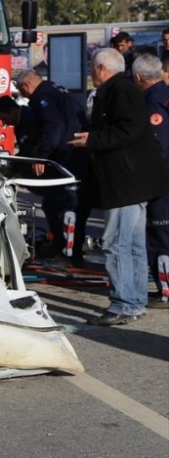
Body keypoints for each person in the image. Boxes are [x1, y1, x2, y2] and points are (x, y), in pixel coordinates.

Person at [69, 48, 169, 325]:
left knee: (116, 243)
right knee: (133, 245)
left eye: (92, 67)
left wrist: (93, 139)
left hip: (126, 181)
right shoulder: (122, 89)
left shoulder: (119, 91)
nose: (90, 72)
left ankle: (125, 303)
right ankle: (133, 301)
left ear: (101, 68)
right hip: (131, 181)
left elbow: (130, 129)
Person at [14, 69, 91, 264]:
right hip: (74, 154)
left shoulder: (44, 96)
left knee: (67, 207)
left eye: (20, 90)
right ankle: (61, 246)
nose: (22, 95)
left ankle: (70, 254)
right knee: (52, 203)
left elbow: (52, 128)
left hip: (70, 157)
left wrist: (40, 156)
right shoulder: (55, 90)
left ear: (26, 85)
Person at [132, 53, 169, 308]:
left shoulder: (152, 103)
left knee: (160, 236)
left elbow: (158, 147)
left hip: (162, 183)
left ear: (137, 77)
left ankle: (165, 291)